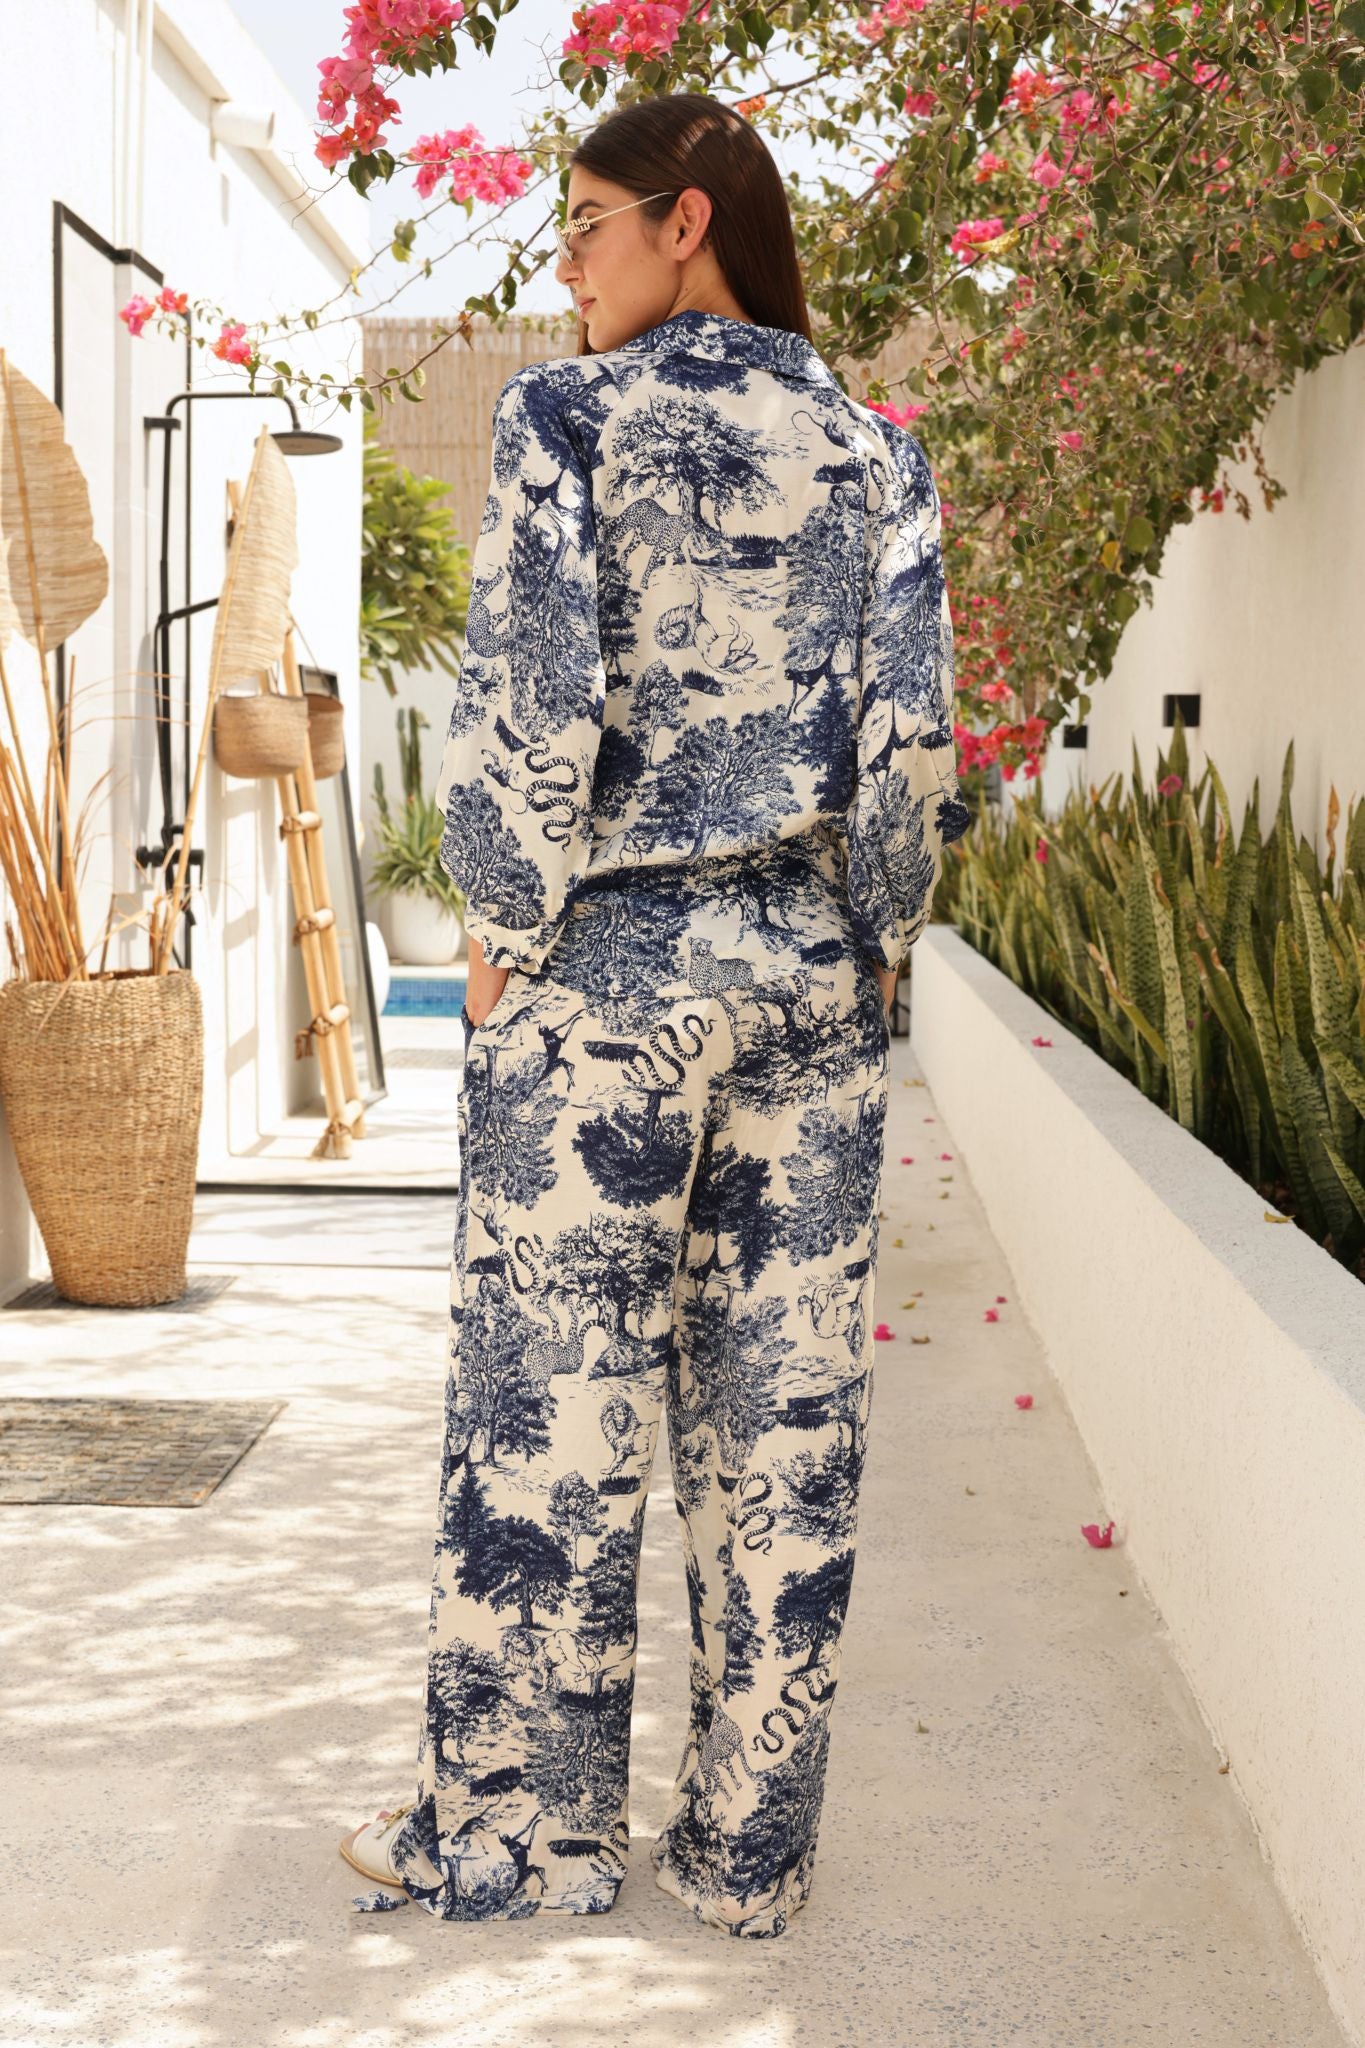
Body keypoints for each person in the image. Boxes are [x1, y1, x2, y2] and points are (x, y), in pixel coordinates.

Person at [340, 90, 970, 1939]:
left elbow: (533, 693)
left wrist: (503, 919)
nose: (568, 265)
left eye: (590, 227)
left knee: (551, 1417)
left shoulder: (564, 421)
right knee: (781, 1435)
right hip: (806, 1004)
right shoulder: (878, 452)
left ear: (684, 222)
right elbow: (909, 750)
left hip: (606, 985)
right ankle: (746, 1854)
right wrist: (875, 941)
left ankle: (523, 1840)